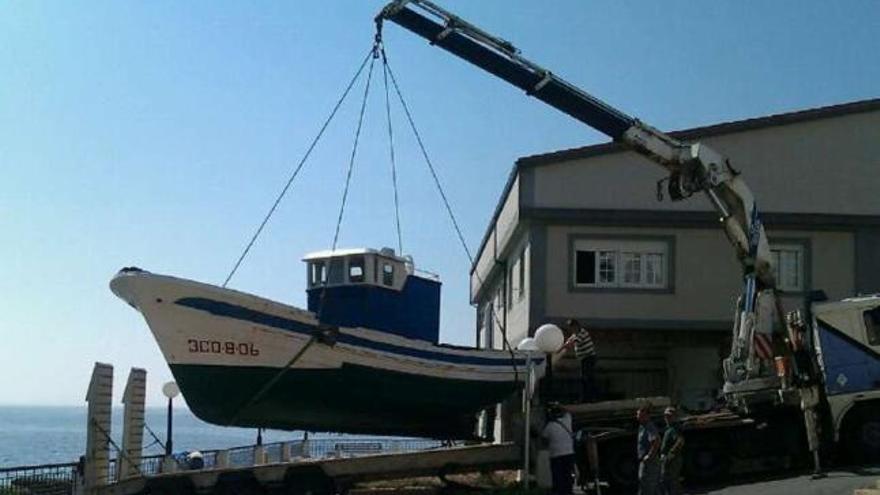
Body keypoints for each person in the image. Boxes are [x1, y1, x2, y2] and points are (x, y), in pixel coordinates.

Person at [559, 319, 597, 402]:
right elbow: (568, 342)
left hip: (589, 357)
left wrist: (564, 347)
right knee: (584, 378)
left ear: (576, 326)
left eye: (572, 328)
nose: (571, 330)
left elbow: (574, 342)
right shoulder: (574, 335)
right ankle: (585, 398)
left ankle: (590, 398)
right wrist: (560, 348)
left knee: (588, 378)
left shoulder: (582, 333)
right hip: (584, 359)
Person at [542, 402, 576, 495]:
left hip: (556, 455)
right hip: (569, 453)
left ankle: (559, 492)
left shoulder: (549, 427)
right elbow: (568, 411)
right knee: (567, 475)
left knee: (558, 477)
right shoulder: (567, 420)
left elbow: (543, 439)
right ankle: (568, 491)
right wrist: (559, 405)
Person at [636, 405, 661, 495]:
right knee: (644, 485)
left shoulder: (650, 426)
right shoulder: (642, 427)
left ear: (647, 416)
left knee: (649, 486)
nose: (638, 417)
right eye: (638, 415)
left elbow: (656, 441)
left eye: (641, 415)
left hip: (650, 462)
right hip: (644, 461)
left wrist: (649, 456)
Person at [660, 407, 685, 495]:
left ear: (674, 417)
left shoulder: (674, 428)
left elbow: (680, 441)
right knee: (669, 482)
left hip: (672, 460)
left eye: (669, 416)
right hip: (669, 459)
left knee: (671, 482)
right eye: (666, 416)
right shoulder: (669, 428)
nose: (667, 418)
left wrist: (671, 453)